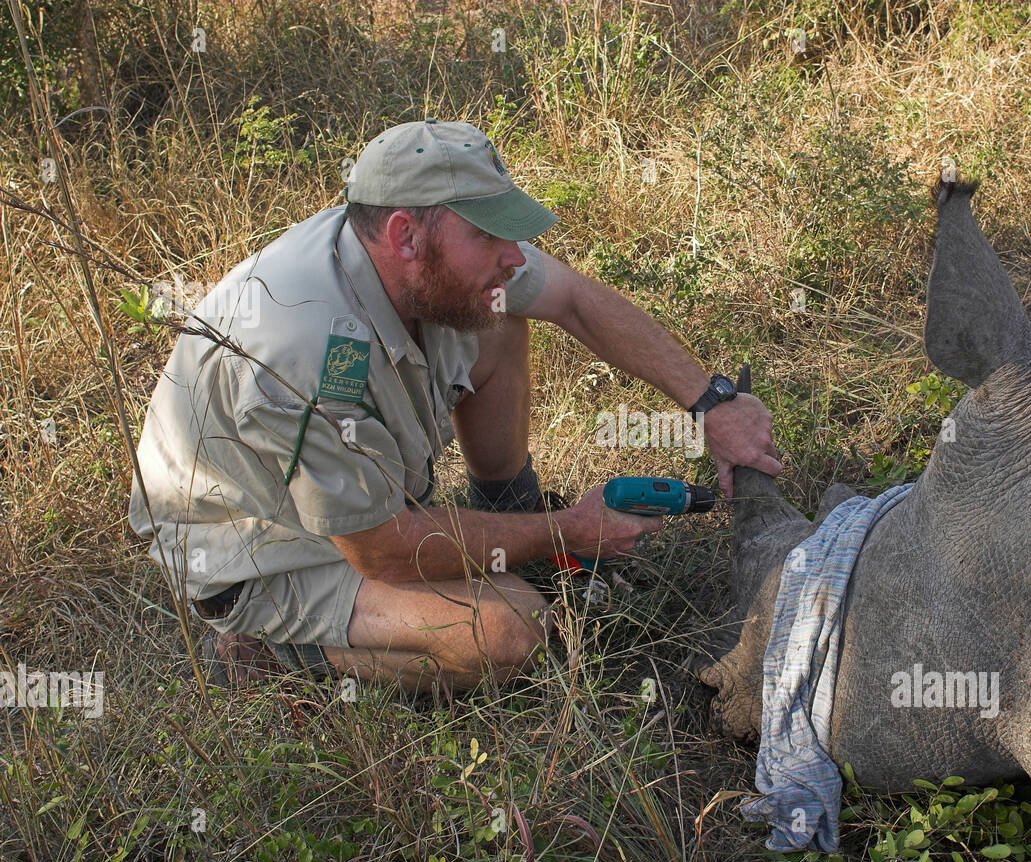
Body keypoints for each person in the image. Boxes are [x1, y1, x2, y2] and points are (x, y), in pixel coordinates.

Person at [129, 119, 781, 695]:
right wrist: (569, 533)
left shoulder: (420, 254)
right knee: (506, 629)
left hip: (343, 497)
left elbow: (574, 300)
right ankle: (275, 649)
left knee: (497, 317)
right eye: (490, 235)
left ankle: (509, 507)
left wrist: (710, 403)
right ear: (406, 235)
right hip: (260, 547)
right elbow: (381, 550)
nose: (515, 256)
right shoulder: (302, 360)